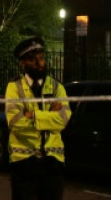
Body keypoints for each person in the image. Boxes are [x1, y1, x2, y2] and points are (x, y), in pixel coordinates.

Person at [5, 37, 71, 200]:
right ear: (23, 63)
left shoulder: (57, 87)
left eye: (41, 58)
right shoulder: (14, 87)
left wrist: (32, 115)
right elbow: (15, 123)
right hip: (24, 162)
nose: (39, 63)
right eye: (33, 60)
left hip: (52, 161)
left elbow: (63, 119)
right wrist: (49, 116)